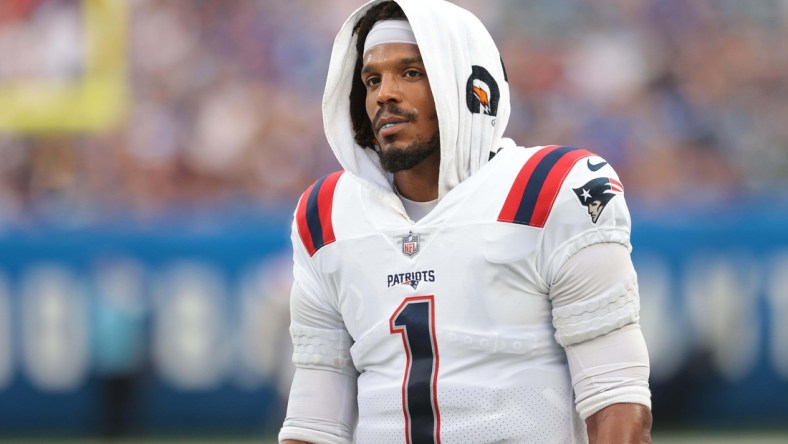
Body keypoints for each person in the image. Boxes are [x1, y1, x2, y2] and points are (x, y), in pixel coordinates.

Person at [279, 1, 652, 443]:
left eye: (411, 73)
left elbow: (617, 397)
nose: (385, 94)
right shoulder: (327, 213)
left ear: (469, 83)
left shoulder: (551, 191)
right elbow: (314, 422)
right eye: (372, 79)